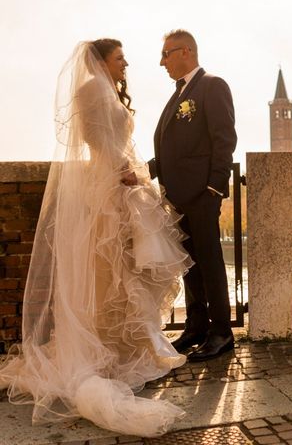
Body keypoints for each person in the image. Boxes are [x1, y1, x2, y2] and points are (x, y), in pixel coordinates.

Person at [0, 39, 193, 437]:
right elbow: (96, 139)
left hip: (121, 183)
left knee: (127, 269)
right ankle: (111, 349)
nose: (126, 64)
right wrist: (119, 167)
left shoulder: (105, 90)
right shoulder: (91, 90)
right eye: (120, 57)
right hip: (107, 187)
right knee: (110, 270)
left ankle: (133, 345)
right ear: (102, 61)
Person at [148, 29, 237, 362]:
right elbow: (173, 150)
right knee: (191, 266)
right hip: (176, 198)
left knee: (211, 264)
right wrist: (144, 171)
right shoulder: (178, 94)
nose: (162, 62)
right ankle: (196, 327)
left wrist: (214, 188)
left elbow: (224, 139)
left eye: (166, 54)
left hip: (202, 194)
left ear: (185, 52)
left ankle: (221, 333)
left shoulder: (212, 86)